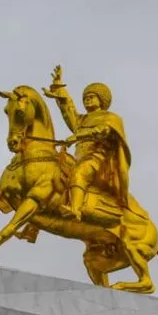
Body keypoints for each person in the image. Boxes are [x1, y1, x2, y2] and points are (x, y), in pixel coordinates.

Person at [42, 65, 131, 220]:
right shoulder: (82, 120)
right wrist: (59, 89)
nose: (87, 99)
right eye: (85, 98)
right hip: (80, 157)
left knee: (79, 173)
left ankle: (75, 210)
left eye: (91, 96)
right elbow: (69, 112)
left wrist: (76, 137)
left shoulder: (111, 118)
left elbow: (101, 131)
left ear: (101, 100)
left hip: (99, 159)